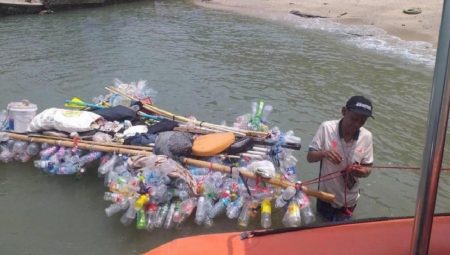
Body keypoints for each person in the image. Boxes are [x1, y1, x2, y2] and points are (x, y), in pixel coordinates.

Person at [307, 96, 374, 222]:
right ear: (344, 111)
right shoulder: (326, 128)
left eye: (362, 121)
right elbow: (310, 157)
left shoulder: (366, 137)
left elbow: (368, 167)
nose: (357, 124)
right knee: (321, 229)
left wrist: (362, 171)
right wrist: (324, 153)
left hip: (350, 201)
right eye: (354, 119)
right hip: (325, 197)